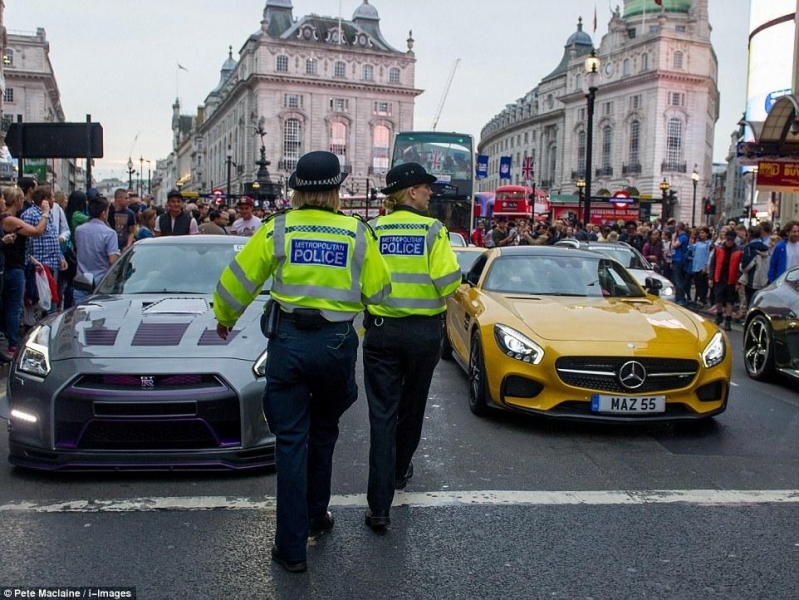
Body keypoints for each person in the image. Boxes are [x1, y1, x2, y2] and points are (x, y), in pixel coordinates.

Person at [213, 150, 391, 574]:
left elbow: (239, 279)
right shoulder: (357, 233)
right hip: (335, 344)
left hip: (289, 342)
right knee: (325, 431)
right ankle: (317, 514)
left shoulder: (278, 228)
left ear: (296, 190)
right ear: (336, 190)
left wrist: (224, 317)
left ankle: (292, 549)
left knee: (291, 439)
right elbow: (380, 291)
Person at [362, 161, 460, 533]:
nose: (431, 193)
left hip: (383, 332)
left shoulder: (373, 229)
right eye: (426, 187)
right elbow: (448, 283)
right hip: (422, 334)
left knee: (382, 416)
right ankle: (401, 468)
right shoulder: (433, 230)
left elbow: (362, 283)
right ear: (411, 191)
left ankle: (379, 508)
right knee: (413, 407)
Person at [1, 184, 51, 359]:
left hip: (15, 264)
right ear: (16, 200)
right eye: (22, 199)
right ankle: (13, 344)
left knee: (11, 306)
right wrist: (45, 213)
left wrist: (32, 259)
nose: (24, 202)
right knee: (13, 307)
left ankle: (10, 340)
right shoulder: (9, 219)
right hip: (12, 269)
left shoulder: (11, 218)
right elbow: (37, 231)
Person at [22, 185, 66, 315]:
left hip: (52, 264)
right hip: (40, 265)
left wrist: (61, 257)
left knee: (51, 300)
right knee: (42, 303)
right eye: (52, 197)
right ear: (45, 199)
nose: (54, 200)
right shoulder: (30, 215)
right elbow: (28, 241)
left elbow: (52, 236)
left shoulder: (47, 215)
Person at [73, 195, 120, 304]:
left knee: (81, 317)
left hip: (82, 281)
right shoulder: (110, 233)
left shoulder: (79, 230)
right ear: (103, 213)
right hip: (101, 282)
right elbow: (112, 260)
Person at [708, 229, 742, 331]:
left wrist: (738, 282)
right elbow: (712, 264)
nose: (729, 242)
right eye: (728, 239)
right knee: (719, 299)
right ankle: (719, 316)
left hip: (731, 279)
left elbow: (740, 269)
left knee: (729, 301)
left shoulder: (739, 251)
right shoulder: (718, 249)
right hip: (719, 277)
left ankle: (727, 320)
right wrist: (710, 277)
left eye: (731, 240)